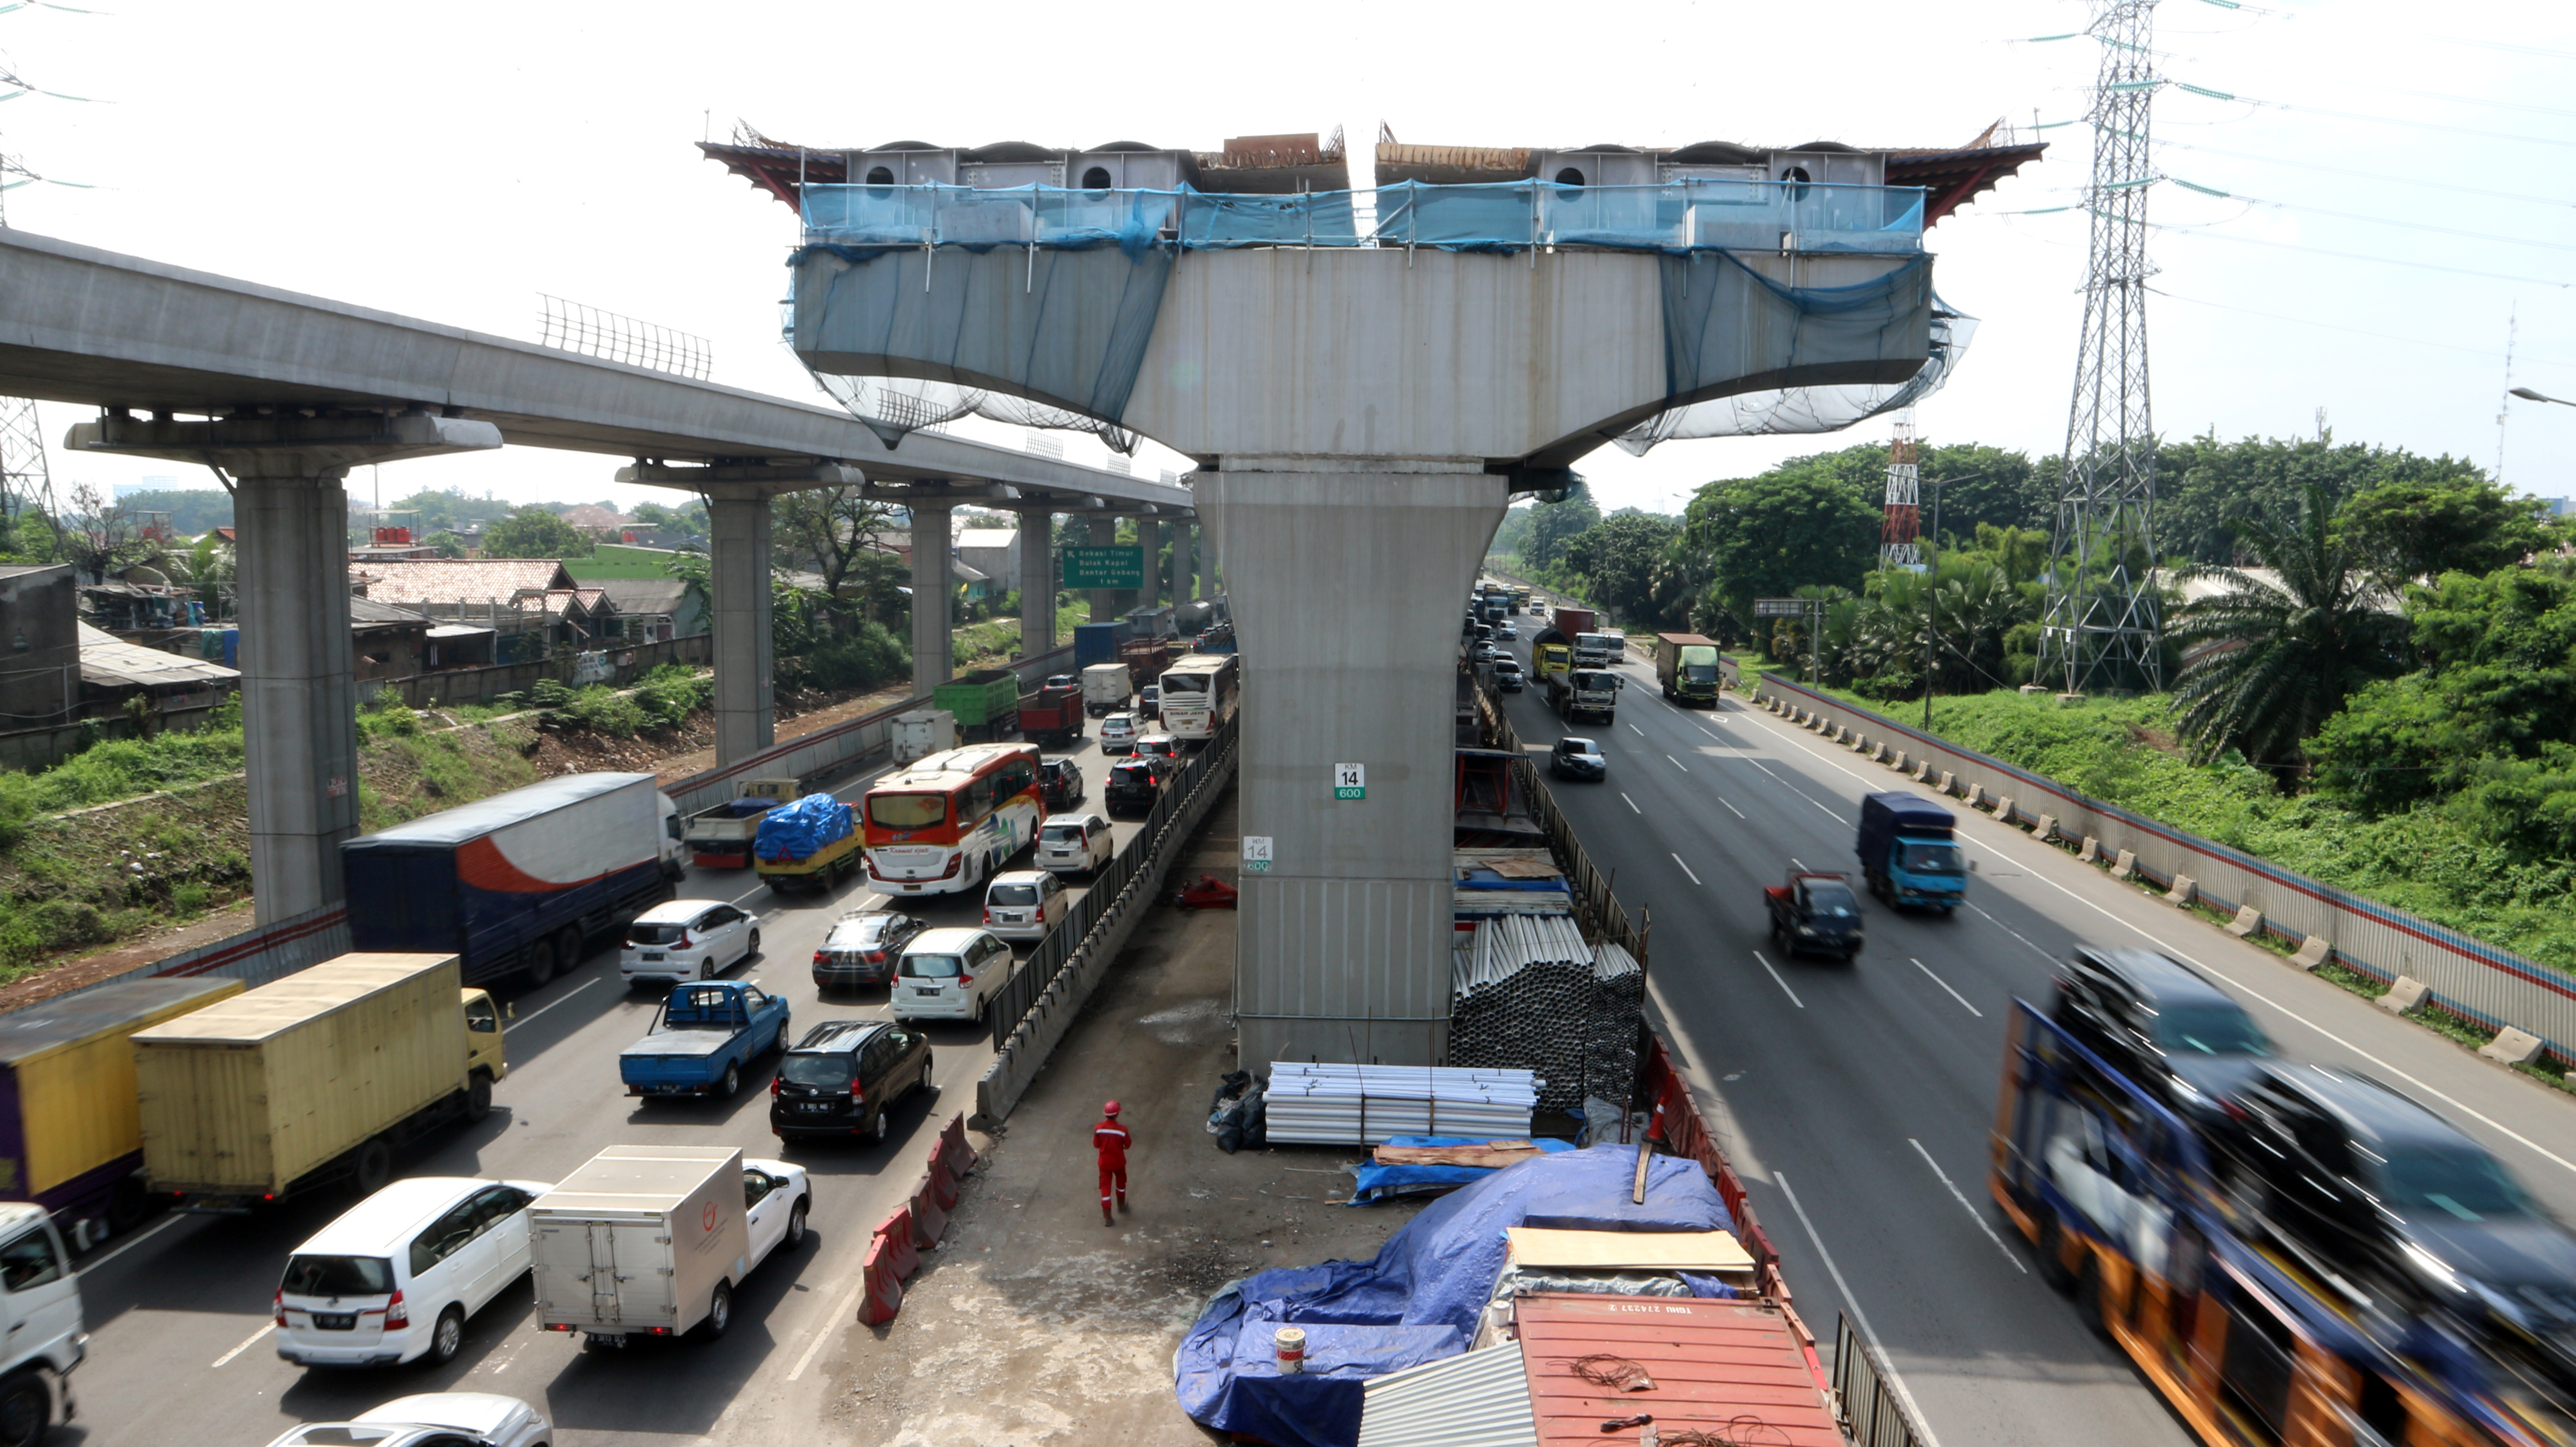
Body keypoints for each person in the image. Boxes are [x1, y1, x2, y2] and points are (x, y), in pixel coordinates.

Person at [1094, 1100, 1131, 1226]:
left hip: (1104, 1163)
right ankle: (1121, 1206)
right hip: (1119, 1162)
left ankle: (1107, 1217)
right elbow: (1128, 1145)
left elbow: (1096, 1145)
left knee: (1105, 1189)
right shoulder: (1122, 1130)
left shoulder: (1098, 1129)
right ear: (1117, 1115)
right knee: (1121, 1183)